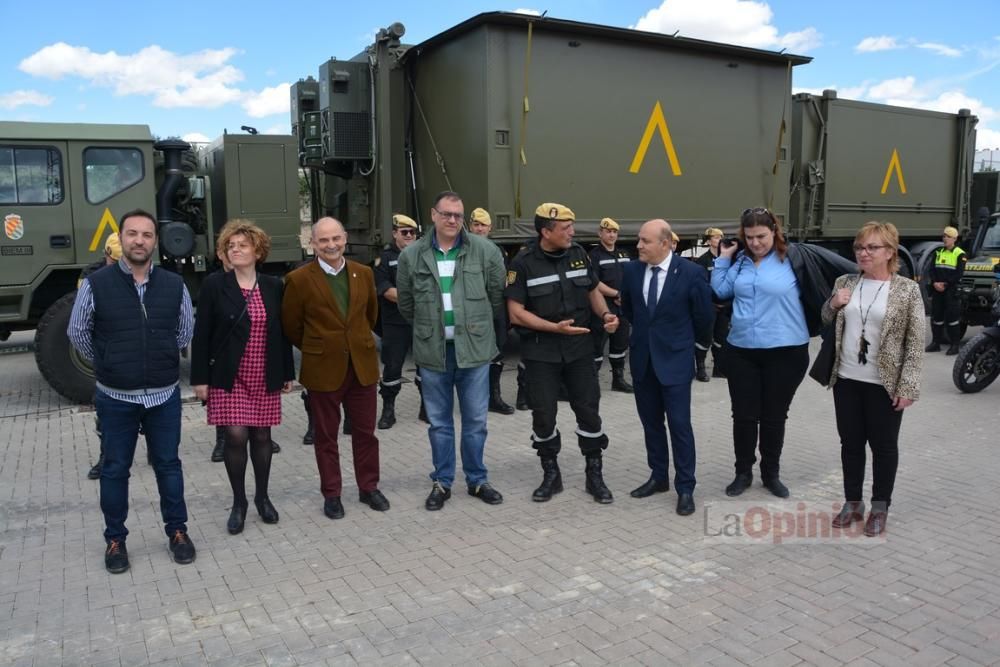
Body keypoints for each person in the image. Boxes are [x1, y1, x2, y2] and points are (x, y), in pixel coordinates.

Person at [67, 209, 196, 574]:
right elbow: (78, 333)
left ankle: (178, 532)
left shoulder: (174, 285)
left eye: (147, 235)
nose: (139, 240)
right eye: (132, 234)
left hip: (163, 396)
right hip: (116, 397)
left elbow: (185, 331)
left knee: (168, 466)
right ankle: (115, 540)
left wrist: (161, 356)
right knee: (114, 470)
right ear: (121, 239)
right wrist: (109, 361)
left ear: (156, 241)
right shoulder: (97, 284)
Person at [397, 192, 507, 510]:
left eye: (458, 215)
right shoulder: (412, 256)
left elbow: (495, 297)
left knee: (475, 421)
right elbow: (407, 305)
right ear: (433, 215)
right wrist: (430, 328)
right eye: (446, 214)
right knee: (439, 423)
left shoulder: (485, 251)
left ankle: (477, 480)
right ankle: (442, 482)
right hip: (434, 353)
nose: (452, 221)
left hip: (473, 352)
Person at [506, 202, 620, 504]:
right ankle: (551, 475)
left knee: (589, 412)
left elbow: (592, 289)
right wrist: (553, 328)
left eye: (572, 226)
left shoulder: (579, 254)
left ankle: (594, 475)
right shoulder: (523, 263)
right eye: (565, 228)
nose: (572, 232)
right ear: (546, 231)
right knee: (543, 415)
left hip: (580, 350)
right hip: (541, 353)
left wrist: (606, 315)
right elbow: (515, 313)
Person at [191, 220, 295, 535]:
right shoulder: (214, 285)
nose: (235, 250)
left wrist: (287, 372)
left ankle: (262, 497)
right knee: (235, 436)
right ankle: (239, 502)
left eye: (242, 245)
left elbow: (282, 332)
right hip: (229, 373)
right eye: (230, 246)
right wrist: (200, 379)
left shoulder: (273, 285)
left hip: (264, 371)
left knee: (262, 437)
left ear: (257, 251)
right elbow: (202, 333)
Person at [281, 217, 389, 519]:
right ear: (313, 243)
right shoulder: (299, 280)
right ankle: (332, 494)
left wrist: (353, 343)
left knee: (365, 433)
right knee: (326, 436)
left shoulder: (363, 273)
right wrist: (319, 347)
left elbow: (369, 315)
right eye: (323, 240)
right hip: (323, 368)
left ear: (344, 239)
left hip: (362, 367)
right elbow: (292, 325)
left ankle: (369, 487)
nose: (331, 245)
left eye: (336, 239)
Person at [822, 222, 924, 536]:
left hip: (884, 383)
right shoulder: (846, 282)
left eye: (872, 247)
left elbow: (916, 342)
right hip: (847, 378)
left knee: (883, 447)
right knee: (850, 444)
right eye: (859, 247)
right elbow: (826, 319)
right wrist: (833, 303)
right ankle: (853, 503)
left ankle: (880, 507)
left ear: (890, 252)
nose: (863, 253)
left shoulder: (907, 289)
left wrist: (907, 387)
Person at [711, 208, 810, 499]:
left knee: (773, 416)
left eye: (761, 236)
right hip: (742, 350)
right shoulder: (740, 262)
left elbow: (824, 281)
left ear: (774, 232)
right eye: (750, 237)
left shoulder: (793, 258)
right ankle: (743, 472)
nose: (755, 243)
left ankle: (771, 474)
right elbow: (719, 291)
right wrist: (724, 257)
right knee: (743, 415)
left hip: (786, 350)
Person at [622, 219, 713, 515]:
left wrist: (693, 350)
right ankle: (658, 477)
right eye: (639, 239)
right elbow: (631, 312)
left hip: (674, 362)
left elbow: (703, 317)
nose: (638, 246)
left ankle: (685, 487)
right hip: (643, 361)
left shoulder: (691, 273)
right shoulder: (632, 271)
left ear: (665, 244)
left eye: (645, 241)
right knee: (651, 425)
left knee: (679, 426)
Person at [79, 232, 123, 481]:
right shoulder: (90, 277)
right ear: (107, 255)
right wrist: (99, 355)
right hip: (108, 354)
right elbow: (81, 321)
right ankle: (106, 457)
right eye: (115, 261)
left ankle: (154, 450)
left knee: (151, 408)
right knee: (105, 412)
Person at [373, 213, 424, 429]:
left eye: (413, 232)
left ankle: (427, 408)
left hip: (422, 322)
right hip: (396, 323)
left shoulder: (424, 255)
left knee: (426, 367)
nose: (409, 236)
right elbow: (385, 289)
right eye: (405, 232)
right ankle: (388, 410)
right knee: (393, 367)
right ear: (395, 234)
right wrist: (417, 297)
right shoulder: (384, 259)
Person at [468, 206, 515, 414]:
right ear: (470, 227)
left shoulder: (499, 251)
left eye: (483, 225)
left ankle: (494, 398)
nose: (479, 229)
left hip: (495, 310)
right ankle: (472, 400)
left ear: (490, 228)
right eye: (476, 225)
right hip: (472, 311)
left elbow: (507, 280)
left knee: (497, 352)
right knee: (472, 356)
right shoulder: (461, 250)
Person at [589, 217, 633, 393]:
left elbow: (630, 277)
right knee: (597, 346)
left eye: (614, 232)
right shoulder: (594, 256)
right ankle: (591, 383)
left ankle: (618, 380)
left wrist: (626, 295)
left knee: (620, 344)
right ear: (600, 233)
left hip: (622, 307)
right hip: (603, 308)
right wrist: (616, 294)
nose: (612, 235)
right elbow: (594, 282)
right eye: (608, 231)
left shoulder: (623, 254)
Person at [695, 227, 730, 380]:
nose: (719, 240)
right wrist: (710, 302)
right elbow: (701, 285)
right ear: (708, 241)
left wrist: (726, 302)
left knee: (721, 338)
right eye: (715, 237)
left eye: (721, 237)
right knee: (705, 337)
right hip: (709, 306)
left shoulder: (727, 259)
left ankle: (718, 368)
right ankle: (701, 368)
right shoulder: (703, 261)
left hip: (724, 306)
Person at [926, 226, 966, 355]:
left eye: (948, 236)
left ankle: (955, 345)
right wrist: (935, 283)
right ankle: (936, 343)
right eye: (944, 236)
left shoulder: (960, 254)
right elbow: (931, 270)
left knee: (952, 318)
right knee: (936, 317)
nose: (945, 238)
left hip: (951, 290)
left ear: (954, 238)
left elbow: (959, 273)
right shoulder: (938, 252)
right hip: (938, 289)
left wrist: (945, 284)